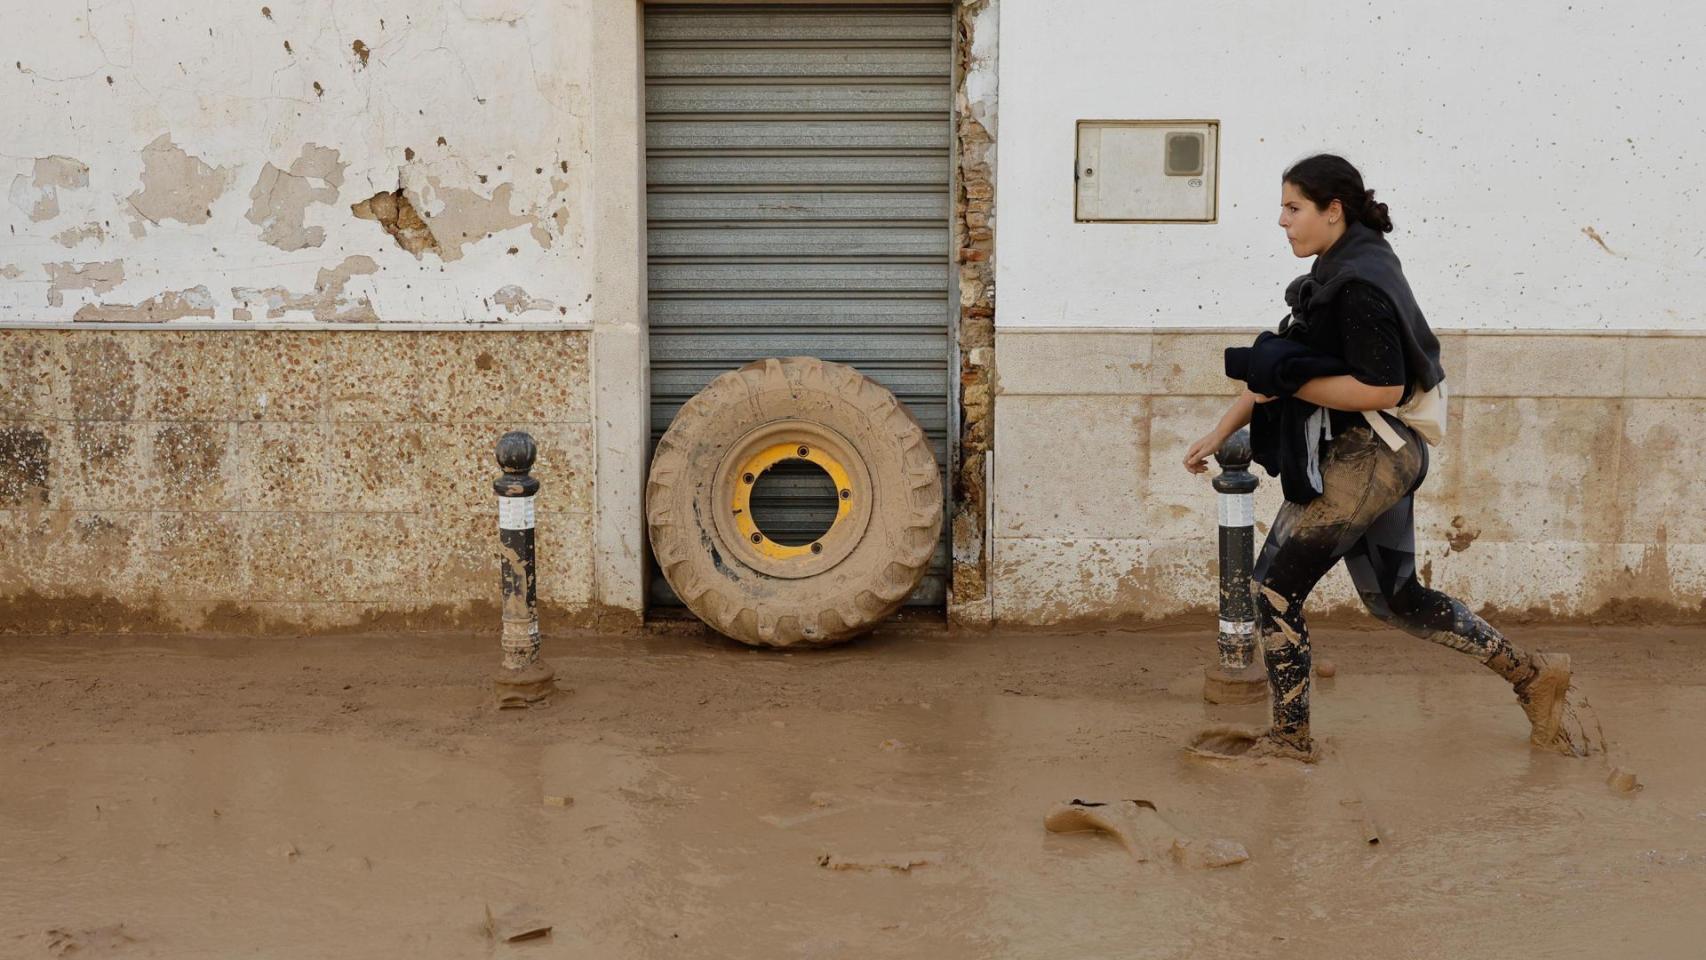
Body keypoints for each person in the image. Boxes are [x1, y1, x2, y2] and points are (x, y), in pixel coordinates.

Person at [1182, 154, 1582, 762]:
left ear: (1332, 210)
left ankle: (1290, 739)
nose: (1282, 222)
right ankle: (1533, 677)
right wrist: (1220, 430)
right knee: (1396, 598)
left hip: (1369, 454)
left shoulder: (1358, 286)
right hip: (1381, 454)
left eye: (1294, 209)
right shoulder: (1341, 269)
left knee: (1271, 591)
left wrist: (1289, 385)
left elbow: (1382, 388)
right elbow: (1284, 363)